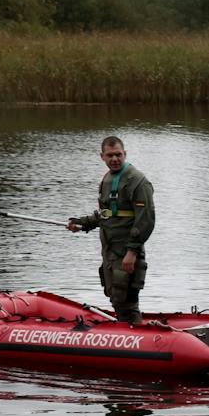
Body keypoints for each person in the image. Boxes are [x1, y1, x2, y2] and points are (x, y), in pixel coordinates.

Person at [66, 136, 155, 324]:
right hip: (110, 251)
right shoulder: (108, 178)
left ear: (125, 154)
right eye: (110, 155)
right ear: (102, 156)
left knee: (126, 302)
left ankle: (135, 334)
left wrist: (132, 252)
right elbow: (106, 214)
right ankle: (126, 330)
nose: (114, 159)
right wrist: (83, 223)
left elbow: (146, 220)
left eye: (118, 155)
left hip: (126, 251)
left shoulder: (137, 181)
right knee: (116, 298)